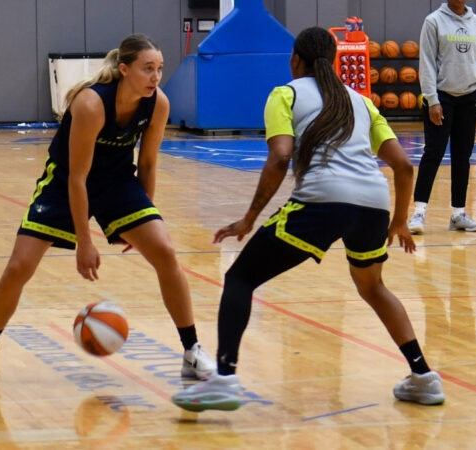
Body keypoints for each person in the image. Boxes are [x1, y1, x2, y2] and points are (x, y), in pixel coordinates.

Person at [172, 27, 445, 412]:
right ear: (333, 61)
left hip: (324, 201)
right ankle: (424, 378)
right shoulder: (361, 102)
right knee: (374, 288)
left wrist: (250, 217)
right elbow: (402, 166)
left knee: (241, 277)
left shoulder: (286, 94)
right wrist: (398, 222)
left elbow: (280, 157)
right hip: (373, 203)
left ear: (295, 61)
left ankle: (225, 379)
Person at [0, 34, 215, 380]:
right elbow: (78, 178)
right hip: (65, 184)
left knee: (165, 251)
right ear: (124, 70)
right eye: (147, 69)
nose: (155, 77)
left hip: (118, 183)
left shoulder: (158, 104)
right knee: (19, 267)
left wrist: (142, 217)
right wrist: (85, 242)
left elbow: (149, 164)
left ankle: (192, 351)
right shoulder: (92, 104)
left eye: (159, 69)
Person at [408, 0, 476, 235]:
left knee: (462, 156)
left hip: (470, 96)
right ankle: (418, 212)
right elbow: (426, 62)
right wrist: (432, 99)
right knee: (433, 152)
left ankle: (458, 214)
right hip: (442, 96)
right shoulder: (433, 21)